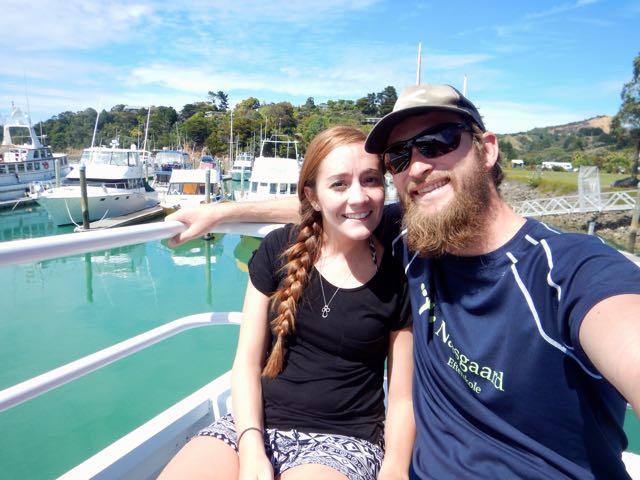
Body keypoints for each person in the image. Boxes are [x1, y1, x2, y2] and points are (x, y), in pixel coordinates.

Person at [165, 85, 640, 478]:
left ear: (488, 149)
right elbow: (328, 206)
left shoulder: (569, 270)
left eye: (438, 143)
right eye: (398, 156)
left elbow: (623, 330)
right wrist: (220, 211)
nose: (417, 166)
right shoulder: (408, 235)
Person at [159, 126, 414, 480]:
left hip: (344, 442)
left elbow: (402, 397)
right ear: (312, 196)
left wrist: (395, 467)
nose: (358, 197)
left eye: (370, 180)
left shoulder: (397, 275)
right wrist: (251, 447)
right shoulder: (278, 250)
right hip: (253, 424)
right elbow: (246, 363)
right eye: (339, 184)